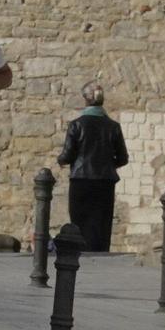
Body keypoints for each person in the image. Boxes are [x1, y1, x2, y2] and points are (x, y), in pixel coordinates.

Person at [58, 81, 129, 252]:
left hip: (81, 179)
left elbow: (67, 155)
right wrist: (107, 164)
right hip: (105, 180)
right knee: (102, 221)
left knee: (80, 220)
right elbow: (123, 158)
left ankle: (81, 251)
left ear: (85, 99)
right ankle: (100, 252)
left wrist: (60, 160)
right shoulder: (113, 126)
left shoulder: (76, 124)